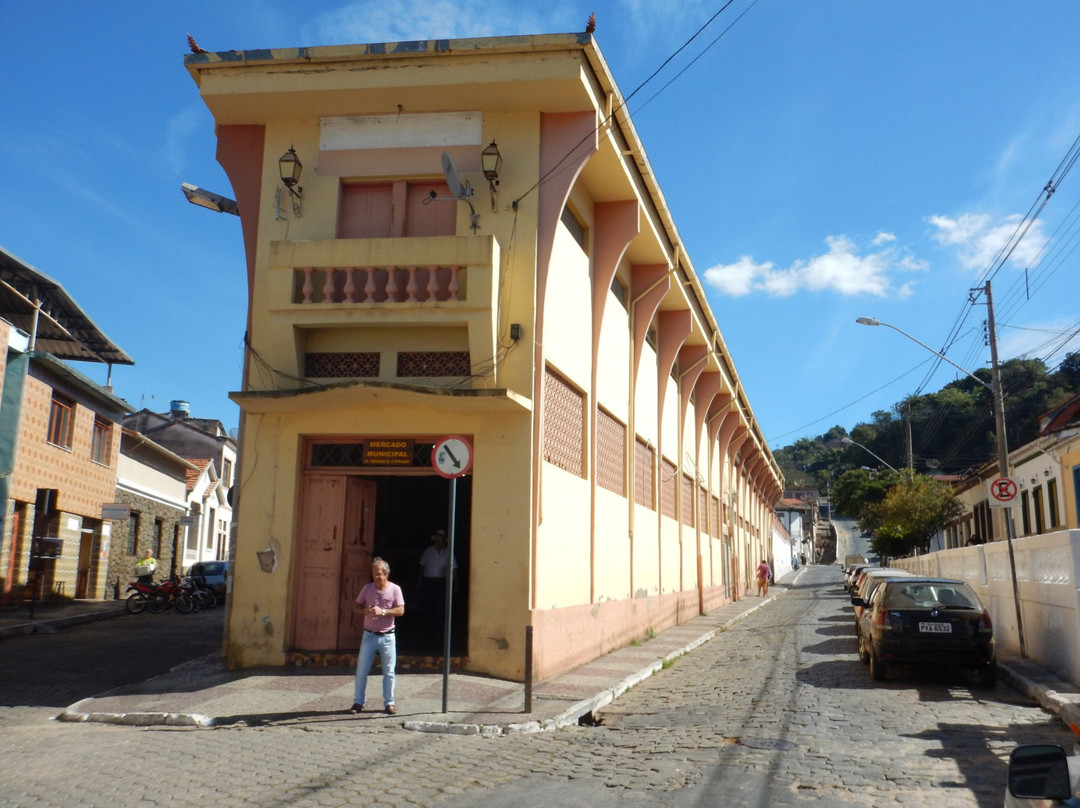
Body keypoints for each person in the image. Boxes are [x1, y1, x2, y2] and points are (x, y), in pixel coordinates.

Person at [352, 557, 405, 715]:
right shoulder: (367, 589)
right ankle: (358, 702)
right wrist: (364, 611)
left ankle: (389, 702)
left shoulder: (395, 589)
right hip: (369, 635)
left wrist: (383, 611)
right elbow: (356, 606)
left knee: (389, 672)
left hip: (388, 636)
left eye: (379, 574)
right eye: (374, 573)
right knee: (361, 671)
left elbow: (401, 610)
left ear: (386, 574)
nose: (376, 577)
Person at [416, 528, 457, 631]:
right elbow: (422, 566)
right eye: (437, 538)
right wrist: (419, 580)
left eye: (441, 538)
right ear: (435, 539)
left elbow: (454, 568)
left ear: (444, 540)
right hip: (428, 581)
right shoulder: (428, 550)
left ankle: (438, 630)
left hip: (441, 583)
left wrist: (456, 582)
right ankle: (425, 629)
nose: (439, 540)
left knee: (439, 606)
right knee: (426, 605)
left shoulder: (448, 552)